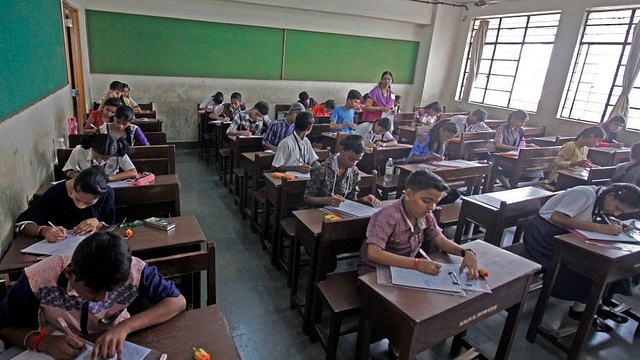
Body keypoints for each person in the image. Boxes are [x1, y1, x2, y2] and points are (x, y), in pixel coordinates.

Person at [0, 231, 186, 359]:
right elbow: (5, 327)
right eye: (94, 292)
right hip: (59, 345)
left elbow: (177, 302)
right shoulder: (38, 278)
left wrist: (124, 328)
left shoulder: (134, 270)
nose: (104, 300)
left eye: (112, 291)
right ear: (69, 274)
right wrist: (46, 343)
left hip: (117, 340)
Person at [523, 183, 640, 332]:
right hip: (544, 234)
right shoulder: (585, 193)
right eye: (617, 208)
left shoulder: (601, 198)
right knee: (586, 264)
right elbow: (557, 217)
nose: (616, 213)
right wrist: (600, 228)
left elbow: (586, 215)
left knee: (610, 261)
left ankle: (595, 304)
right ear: (611, 195)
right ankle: (581, 309)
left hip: (566, 234)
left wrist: (610, 222)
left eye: (621, 212)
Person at [358, 169, 478, 276]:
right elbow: (374, 253)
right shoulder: (387, 216)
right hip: (376, 273)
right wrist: (416, 264)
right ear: (409, 195)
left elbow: (440, 240)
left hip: (404, 270)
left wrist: (465, 252)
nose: (431, 207)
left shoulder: (425, 215)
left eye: (436, 202)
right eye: (426, 201)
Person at [15, 166, 115, 241]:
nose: (80, 206)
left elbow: (110, 223)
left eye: (89, 203)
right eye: (77, 199)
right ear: (73, 185)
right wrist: (43, 231)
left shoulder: (107, 194)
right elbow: (22, 224)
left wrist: (98, 223)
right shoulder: (56, 193)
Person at [304, 135, 380, 207]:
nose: (353, 163)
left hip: (343, 212)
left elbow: (352, 199)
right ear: (341, 150)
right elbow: (307, 198)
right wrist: (327, 200)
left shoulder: (354, 172)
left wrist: (362, 200)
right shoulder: (322, 169)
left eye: (357, 160)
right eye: (350, 158)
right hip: (319, 212)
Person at [63, 133, 138, 181]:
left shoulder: (118, 152)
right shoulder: (79, 150)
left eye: (106, 159)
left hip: (109, 187)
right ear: (92, 148)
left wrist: (108, 178)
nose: (100, 161)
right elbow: (67, 170)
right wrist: (83, 178)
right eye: (96, 156)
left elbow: (133, 172)